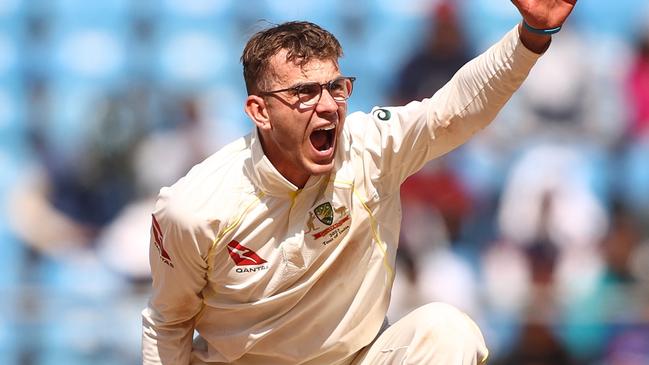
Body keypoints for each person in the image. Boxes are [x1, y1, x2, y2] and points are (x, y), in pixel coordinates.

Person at [142, 1, 577, 364]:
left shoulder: (370, 147)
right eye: (304, 93)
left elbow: (453, 112)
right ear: (259, 111)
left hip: (357, 358)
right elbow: (168, 324)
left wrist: (532, 36)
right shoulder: (193, 207)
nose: (329, 106)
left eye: (336, 87)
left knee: (446, 331)